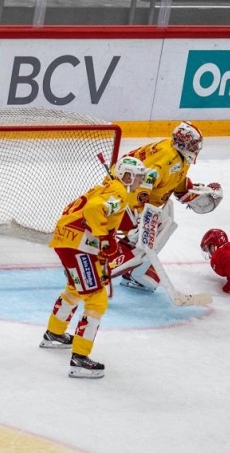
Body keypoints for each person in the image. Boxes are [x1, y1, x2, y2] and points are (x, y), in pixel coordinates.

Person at [39, 156, 148, 379]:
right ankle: (79, 359)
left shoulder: (111, 187)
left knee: (75, 289)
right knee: (96, 299)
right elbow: (94, 209)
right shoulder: (117, 191)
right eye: (137, 177)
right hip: (79, 245)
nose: (140, 181)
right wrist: (106, 239)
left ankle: (54, 334)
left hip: (66, 240)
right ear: (127, 176)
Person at [109, 121, 223, 291]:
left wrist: (190, 192)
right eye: (193, 143)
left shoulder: (179, 156)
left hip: (140, 200)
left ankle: (135, 270)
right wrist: (140, 215)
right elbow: (141, 182)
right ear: (183, 142)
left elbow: (173, 179)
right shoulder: (167, 157)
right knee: (143, 240)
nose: (196, 147)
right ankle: (103, 270)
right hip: (125, 199)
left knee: (165, 223)